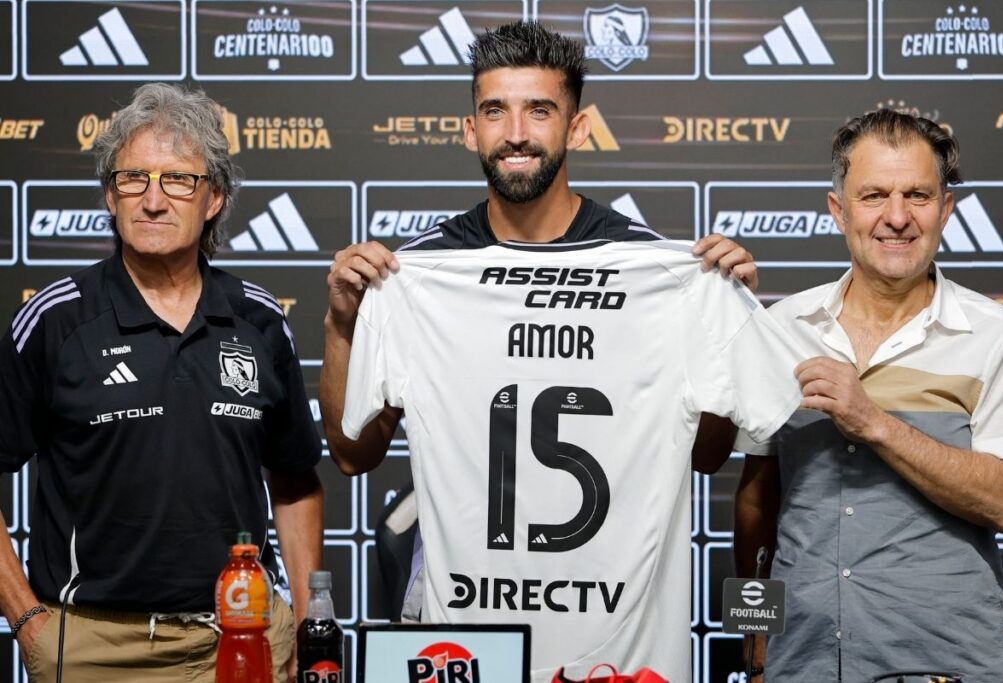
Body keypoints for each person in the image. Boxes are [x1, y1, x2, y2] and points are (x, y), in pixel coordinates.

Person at [321, 21, 796, 681]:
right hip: (471, 650)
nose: (516, 131)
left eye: (539, 110)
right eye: (496, 111)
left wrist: (719, 324)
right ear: (470, 129)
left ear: (577, 127)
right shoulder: (420, 274)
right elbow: (351, 453)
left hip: (621, 657)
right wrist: (342, 326)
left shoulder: (654, 268)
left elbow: (707, 454)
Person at [0, 83, 324, 683]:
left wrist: (304, 621)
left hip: (244, 635)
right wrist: (27, 622)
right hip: (95, 647)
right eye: (133, 179)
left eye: (178, 179)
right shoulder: (54, 320)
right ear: (109, 195)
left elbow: (296, 481)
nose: (153, 200)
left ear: (214, 199)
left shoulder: (258, 319)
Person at [734, 109, 1003, 682]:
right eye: (874, 196)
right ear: (839, 211)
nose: (897, 217)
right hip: (804, 663)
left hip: (948, 666)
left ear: (946, 210)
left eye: (917, 195)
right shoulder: (779, 328)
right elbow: (755, 504)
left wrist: (876, 423)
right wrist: (755, 633)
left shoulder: (998, 335)